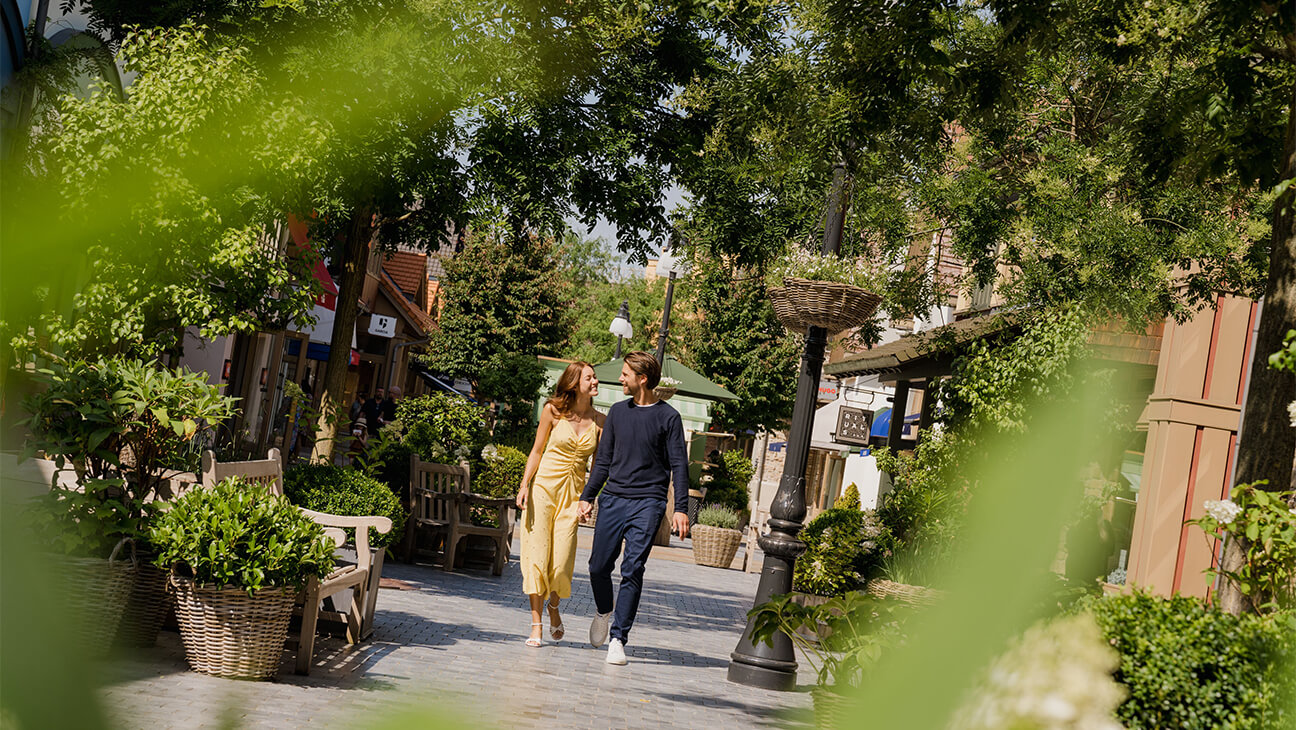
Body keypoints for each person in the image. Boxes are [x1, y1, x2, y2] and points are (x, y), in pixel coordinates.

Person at [578, 351, 689, 665]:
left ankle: (618, 638)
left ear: (642, 379)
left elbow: (679, 465)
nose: (620, 378)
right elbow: (603, 461)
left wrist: (680, 508)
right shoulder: (617, 412)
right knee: (598, 567)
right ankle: (604, 610)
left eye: (625, 374)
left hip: (649, 503)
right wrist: (587, 496)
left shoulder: (669, 418)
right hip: (613, 498)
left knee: (632, 568)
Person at [516, 361, 604, 647]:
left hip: (573, 497)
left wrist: (589, 499)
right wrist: (524, 485)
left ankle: (553, 606)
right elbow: (537, 450)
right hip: (543, 489)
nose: (595, 381)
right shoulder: (552, 411)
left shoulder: (600, 422)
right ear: (574, 383)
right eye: (589, 378)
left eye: (595, 377)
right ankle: (536, 625)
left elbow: (598, 468)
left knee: (562, 563)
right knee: (537, 556)